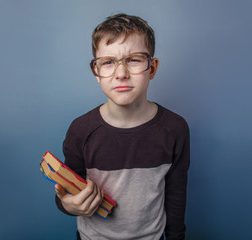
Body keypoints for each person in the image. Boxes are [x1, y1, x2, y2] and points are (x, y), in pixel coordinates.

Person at [55, 13, 190, 240]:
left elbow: (176, 193)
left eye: (134, 59)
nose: (121, 74)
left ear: (153, 68)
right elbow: (68, 191)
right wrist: (68, 205)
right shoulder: (80, 130)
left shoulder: (175, 129)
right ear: (96, 72)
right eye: (108, 62)